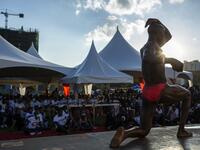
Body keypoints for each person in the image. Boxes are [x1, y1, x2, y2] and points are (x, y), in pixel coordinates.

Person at [110, 18, 192, 148]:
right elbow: (150, 58)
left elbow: (169, 36)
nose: (163, 37)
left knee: (144, 130)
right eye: (161, 34)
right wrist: (171, 60)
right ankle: (181, 130)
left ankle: (124, 134)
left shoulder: (147, 46)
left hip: (148, 92)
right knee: (187, 94)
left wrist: (158, 21)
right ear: (157, 34)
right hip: (160, 88)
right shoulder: (151, 48)